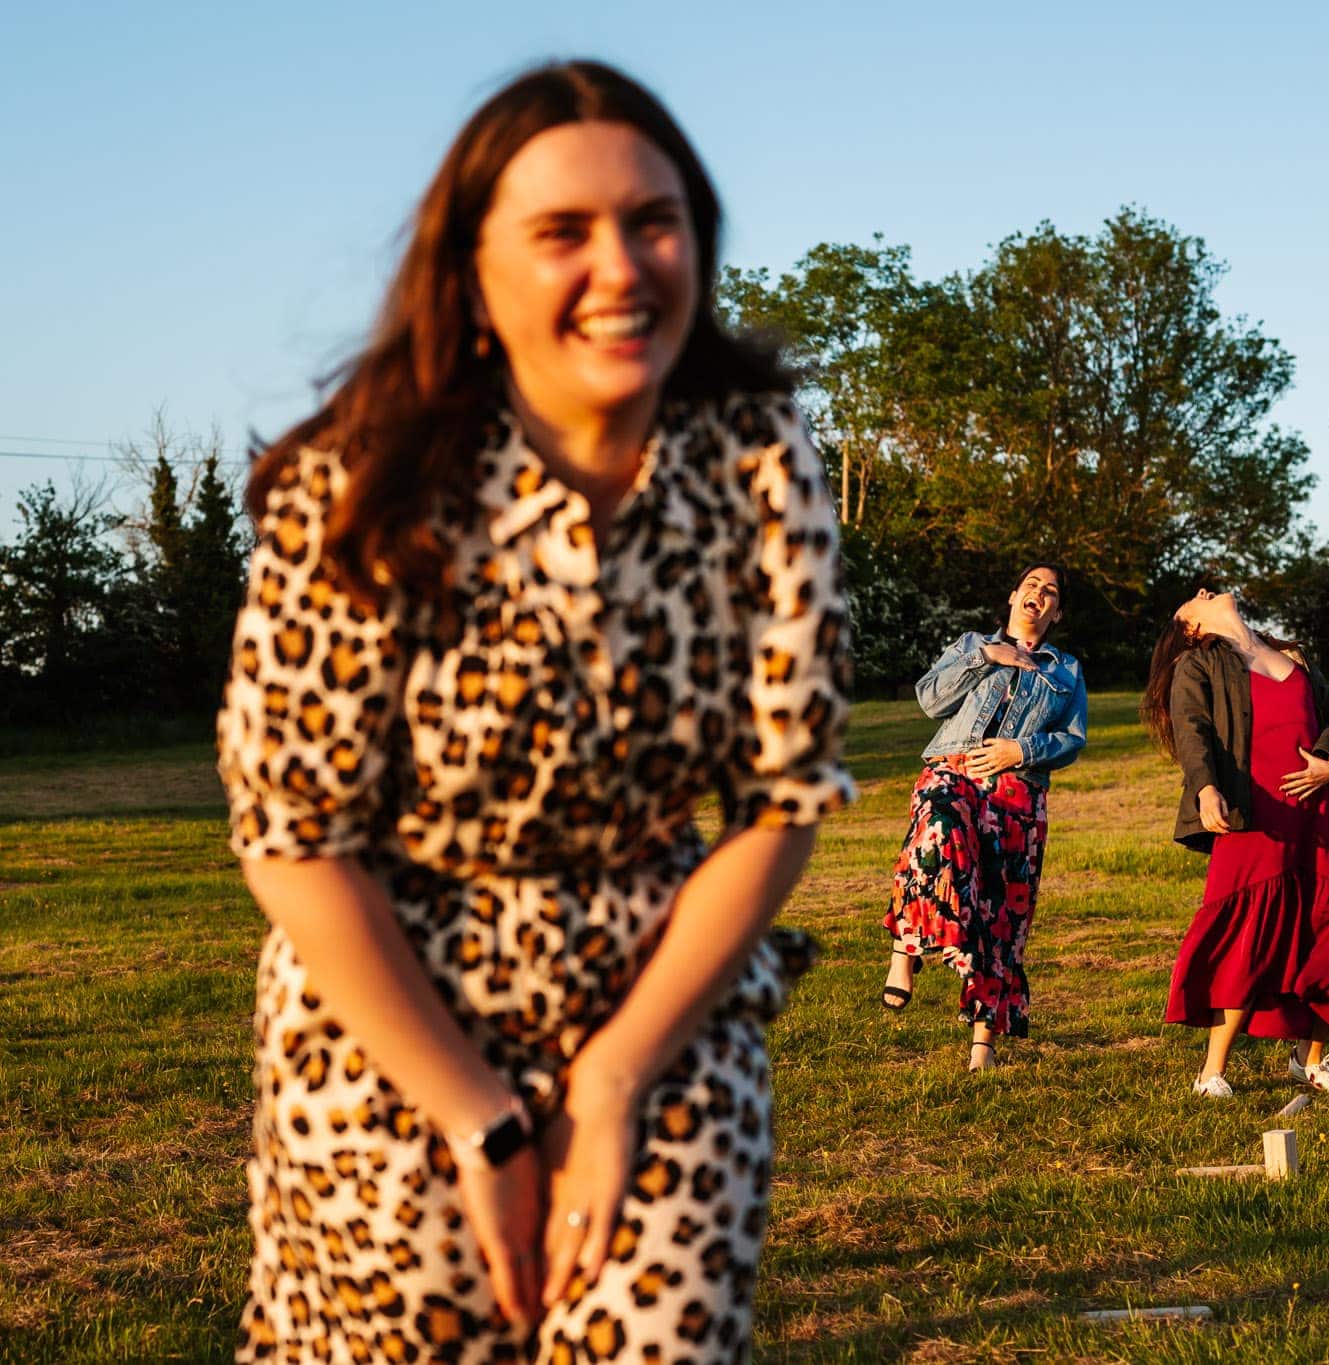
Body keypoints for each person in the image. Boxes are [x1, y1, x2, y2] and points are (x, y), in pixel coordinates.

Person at [215, 61, 854, 1362]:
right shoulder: (359, 483)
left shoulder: (758, 456)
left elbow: (782, 801)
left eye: (653, 222)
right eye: (563, 231)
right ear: (470, 276)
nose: (620, 267)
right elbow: (293, 839)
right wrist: (480, 1118)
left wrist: (611, 1081)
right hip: (391, 1025)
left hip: (661, 1013)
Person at [1142, 589, 1329, 1099]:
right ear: (1191, 629)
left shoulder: (1292, 656)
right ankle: (1212, 1072)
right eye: (1191, 601)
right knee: (1245, 934)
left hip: (1319, 816)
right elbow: (1192, 732)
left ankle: (1309, 1061)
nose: (1203, 592)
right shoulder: (1197, 663)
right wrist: (1206, 788)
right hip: (1254, 817)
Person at [881, 565, 1087, 1070]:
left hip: (1017, 791)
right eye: (1031, 585)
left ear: (1057, 612)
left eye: (1050, 591)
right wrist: (985, 658)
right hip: (953, 769)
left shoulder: (1066, 669)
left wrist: (1020, 750)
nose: (1039, 593)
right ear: (1014, 596)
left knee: (1002, 913)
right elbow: (930, 700)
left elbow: (1072, 739)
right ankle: (905, 949)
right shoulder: (972, 644)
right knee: (935, 830)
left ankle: (983, 1048)